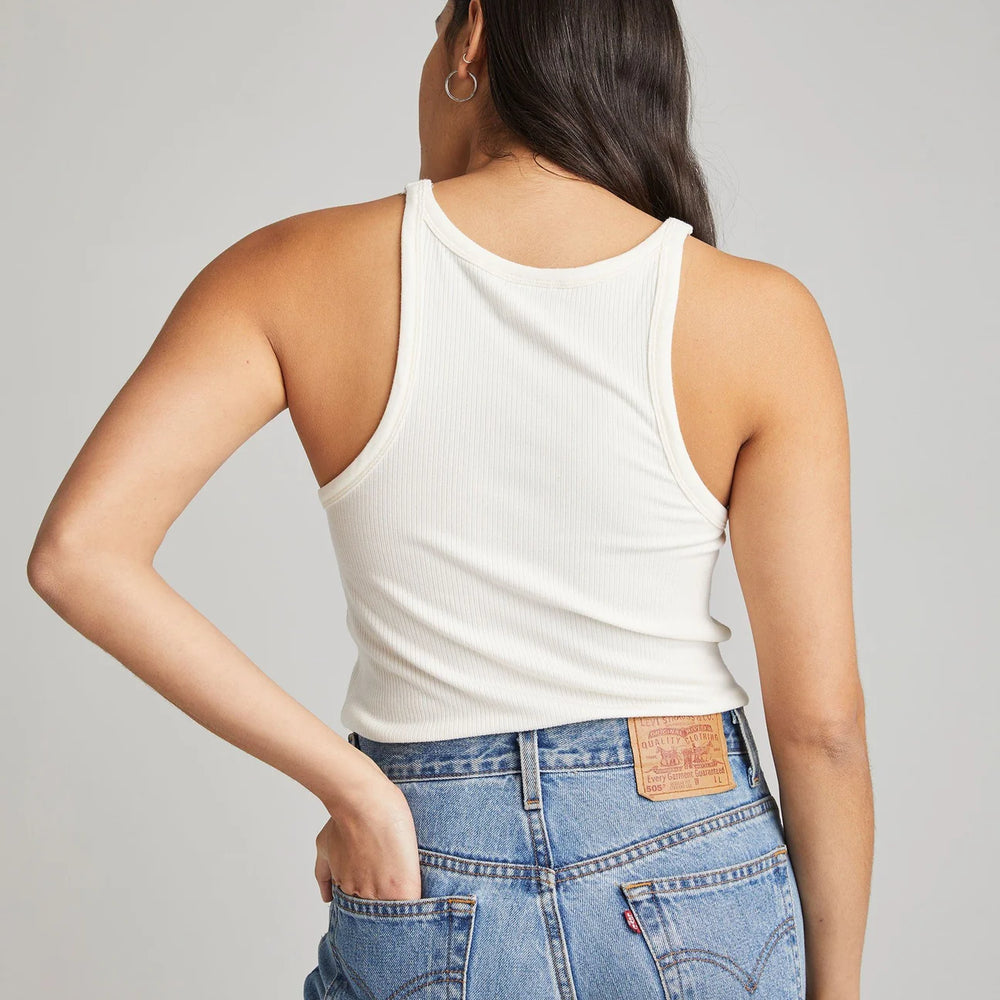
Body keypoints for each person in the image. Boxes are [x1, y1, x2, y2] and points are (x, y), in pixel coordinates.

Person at [27, 1, 873, 998]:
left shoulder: (293, 272)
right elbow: (821, 730)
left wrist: (357, 791)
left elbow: (79, 552)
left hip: (427, 853)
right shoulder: (762, 314)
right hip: (693, 840)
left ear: (471, 38)